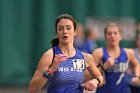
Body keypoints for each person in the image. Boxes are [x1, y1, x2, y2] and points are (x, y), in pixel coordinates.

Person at [29, 14, 104, 93]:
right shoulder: (50, 56)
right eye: (60, 29)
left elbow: (100, 78)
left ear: (75, 31)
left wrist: (96, 81)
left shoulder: (85, 57)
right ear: (57, 32)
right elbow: (32, 89)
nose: (65, 32)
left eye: (68, 28)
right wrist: (51, 69)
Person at [91, 23, 140, 93]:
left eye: (115, 33)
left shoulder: (128, 52)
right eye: (109, 33)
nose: (112, 36)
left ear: (120, 36)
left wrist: (137, 76)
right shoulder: (98, 53)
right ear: (105, 36)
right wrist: (104, 66)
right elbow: (89, 74)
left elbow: (136, 64)